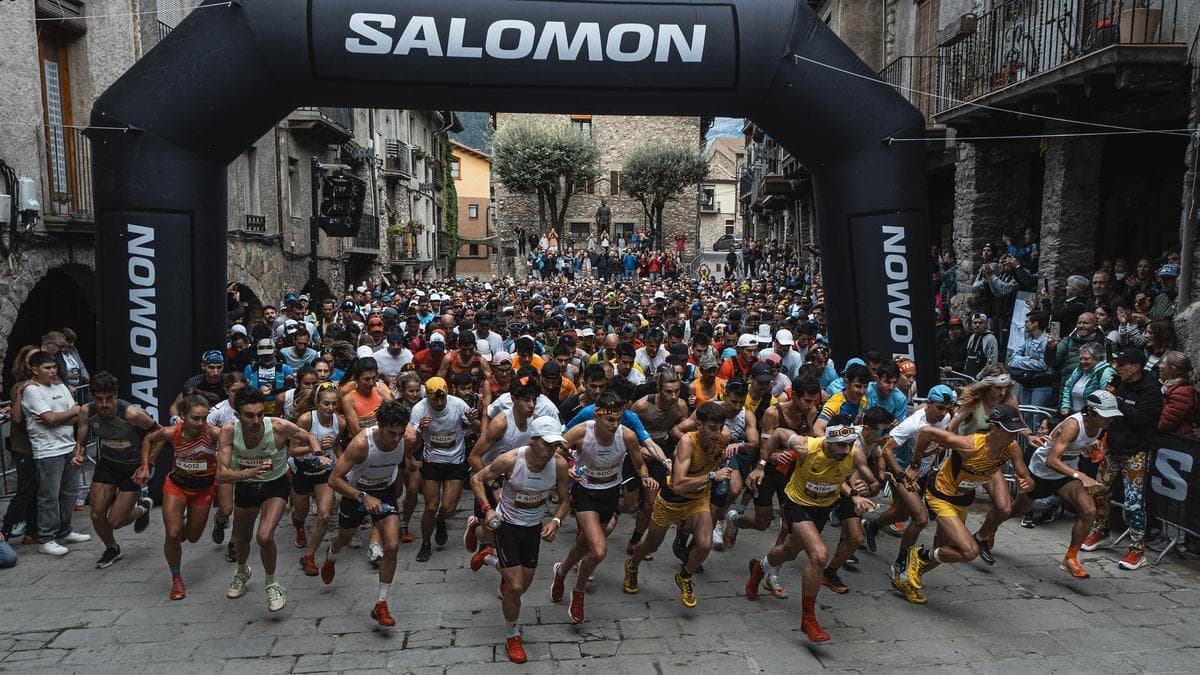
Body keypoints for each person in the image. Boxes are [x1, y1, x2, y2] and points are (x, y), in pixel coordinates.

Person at [744, 417, 875, 642]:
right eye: (841, 445)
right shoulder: (806, 446)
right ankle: (808, 620)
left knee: (788, 551)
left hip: (822, 508)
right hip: (797, 504)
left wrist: (863, 491)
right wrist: (760, 467)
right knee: (818, 555)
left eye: (850, 444)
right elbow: (776, 433)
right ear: (828, 441)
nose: (846, 450)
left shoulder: (854, 453)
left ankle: (759, 568)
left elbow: (874, 484)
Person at [900, 405, 1033, 599]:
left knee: (944, 552)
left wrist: (1026, 483)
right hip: (941, 496)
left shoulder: (1012, 448)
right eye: (1009, 432)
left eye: (1016, 432)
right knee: (969, 551)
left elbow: (1026, 476)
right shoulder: (970, 444)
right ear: (994, 428)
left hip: (962, 500)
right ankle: (918, 556)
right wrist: (914, 465)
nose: (1014, 437)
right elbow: (926, 432)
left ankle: (907, 579)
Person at [469, 416, 571, 663]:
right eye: (547, 444)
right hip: (507, 526)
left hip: (532, 529)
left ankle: (490, 558)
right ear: (533, 440)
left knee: (521, 587)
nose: (552, 450)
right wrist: (487, 509)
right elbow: (476, 479)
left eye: (555, 444)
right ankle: (512, 636)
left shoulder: (558, 464)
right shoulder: (511, 460)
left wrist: (556, 521)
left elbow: (566, 499)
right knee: (513, 588)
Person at [550, 391, 654, 624]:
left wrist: (646, 477)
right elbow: (556, 452)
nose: (615, 424)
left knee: (582, 546)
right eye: (610, 420)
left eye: (618, 419)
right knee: (598, 550)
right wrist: (567, 467)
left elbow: (639, 464)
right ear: (597, 416)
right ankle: (578, 592)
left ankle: (561, 571)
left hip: (609, 494)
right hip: (585, 493)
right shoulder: (581, 431)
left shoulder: (626, 436)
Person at [216, 388, 321, 612]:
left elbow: (309, 436)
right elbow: (222, 475)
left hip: (276, 485)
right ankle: (242, 572)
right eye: (249, 415)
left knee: (264, 536)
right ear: (237, 415)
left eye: (260, 414)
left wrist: (318, 453)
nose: (256, 420)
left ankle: (272, 584)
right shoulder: (228, 431)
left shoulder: (278, 427)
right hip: (246, 485)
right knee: (241, 538)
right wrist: (247, 474)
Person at [624, 400, 731, 607]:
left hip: (699, 499)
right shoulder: (687, 443)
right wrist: (712, 476)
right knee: (651, 545)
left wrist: (737, 451)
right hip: (672, 500)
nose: (717, 434)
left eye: (719, 428)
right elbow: (680, 484)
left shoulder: (723, 438)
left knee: (705, 544)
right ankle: (633, 564)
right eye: (711, 428)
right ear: (698, 425)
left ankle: (684, 576)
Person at [323, 400, 417, 626]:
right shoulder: (361, 444)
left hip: (384, 493)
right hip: (355, 493)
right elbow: (334, 480)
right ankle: (331, 557)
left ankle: (381, 604)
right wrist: (363, 497)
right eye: (391, 433)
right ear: (380, 425)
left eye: (400, 433)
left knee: (392, 546)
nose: (396, 439)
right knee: (344, 538)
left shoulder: (409, 438)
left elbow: (404, 459)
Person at [1012, 392, 1121, 579]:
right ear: (1091, 412)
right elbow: (1051, 461)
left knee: (1088, 510)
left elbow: (1076, 445)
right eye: (1106, 415)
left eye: (1112, 415)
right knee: (1015, 511)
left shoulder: (1100, 426)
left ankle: (1071, 558)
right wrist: (1081, 475)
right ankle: (987, 532)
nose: (1110, 419)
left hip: (1065, 474)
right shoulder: (1072, 425)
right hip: (1042, 473)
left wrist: (1090, 444)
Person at [865, 385, 957, 603]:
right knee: (921, 518)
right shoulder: (912, 424)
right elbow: (887, 449)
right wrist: (900, 474)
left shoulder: (947, 417)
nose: (943, 413)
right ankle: (901, 562)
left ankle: (872, 525)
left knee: (900, 514)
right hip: (904, 471)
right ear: (929, 404)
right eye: (939, 408)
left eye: (946, 408)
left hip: (923, 472)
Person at [1082, 348, 1163, 570]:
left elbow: (1141, 419)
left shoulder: (1152, 390)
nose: (1118, 369)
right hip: (1114, 447)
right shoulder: (1118, 382)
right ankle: (1101, 530)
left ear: (1136, 367)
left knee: (1134, 501)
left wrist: (1116, 401)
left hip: (1137, 451)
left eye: (1123, 365)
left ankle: (1137, 549)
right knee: (1098, 489)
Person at [138, 393, 221, 600]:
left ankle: (182, 522)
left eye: (204, 417)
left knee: (192, 537)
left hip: (203, 489)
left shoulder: (213, 433)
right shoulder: (171, 432)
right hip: (177, 486)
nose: (200, 423)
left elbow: (236, 439)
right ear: (183, 416)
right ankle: (176, 579)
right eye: (195, 418)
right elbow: (149, 438)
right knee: (173, 535)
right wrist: (146, 465)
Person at [72, 372, 158, 568]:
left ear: (115, 395)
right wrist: (78, 454)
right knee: (96, 515)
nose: (104, 404)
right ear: (92, 397)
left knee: (115, 521)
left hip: (133, 467)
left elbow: (158, 434)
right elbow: (81, 442)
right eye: (99, 399)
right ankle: (112, 548)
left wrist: (147, 464)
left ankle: (142, 507)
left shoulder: (131, 414)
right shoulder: (87, 411)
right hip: (109, 463)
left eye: (109, 398)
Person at [23, 351, 88, 556]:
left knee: (69, 492)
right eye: (47, 368)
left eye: (54, 367)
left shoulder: (60, 385)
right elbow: (52, 419)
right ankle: (46, 538)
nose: (52, 371)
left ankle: (65, 530)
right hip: (47, 450)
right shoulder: (32, 390)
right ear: (34, 369)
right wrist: (68, 414)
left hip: (68, 447)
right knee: (49, 496)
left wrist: (60, 417)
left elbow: (79, 414)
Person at [410, 377, 479, 562]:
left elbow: (479, 430)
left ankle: (441, 521)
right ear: (428, 397)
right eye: (435, 400)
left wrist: (473, 421)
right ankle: (425, 543)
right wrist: (418, 431)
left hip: (455, 460)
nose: (439, 403)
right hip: (432, 461)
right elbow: (414, 447)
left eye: (442, 398)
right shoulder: (419, 410)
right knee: (431, 506)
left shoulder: (457, 404)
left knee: (448, 508)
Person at [292, 382, 346, 576]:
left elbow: (338, 445)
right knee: (301, 513)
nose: (330, 408)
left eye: (333, 403)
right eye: (326, 404)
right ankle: (298, 525)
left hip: (324, 473)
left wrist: (341, 460)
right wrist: (314, 448)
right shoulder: (306, 419)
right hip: (302, 470)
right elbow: (293, 450)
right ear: (317, 402)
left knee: (324, 515)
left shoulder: (340, 422)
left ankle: (309, 556)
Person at [1058, 342, 1115, 418]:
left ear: (1097, 358)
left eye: (1086, 359)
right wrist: (1066, 405)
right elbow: (1068, 386)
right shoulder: (1079, 369)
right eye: (1080, 359)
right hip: (1074, 416)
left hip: (1093, 418)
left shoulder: (1106, 373)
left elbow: (1106, 398)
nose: (1082, 362)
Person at [1008, 311, 1053, 408]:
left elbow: (1042, 365)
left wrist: (1019, 361)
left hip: (1040, 385)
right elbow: (1012, 359)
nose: (1025, 324)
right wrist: (1028, 359)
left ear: (1035, 323)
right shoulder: (1028, 340)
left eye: (1027, 322)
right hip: (1026, 382)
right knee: (1024, 413)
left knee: (1036, 416)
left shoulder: (1047, 341)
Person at [1158, 351, 1199, 436]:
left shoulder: (1182, 393)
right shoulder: (1170, 386)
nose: (1159, 366)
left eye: (1163, 363)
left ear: (1172, 369)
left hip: (1176, 441)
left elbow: (1164, 425)